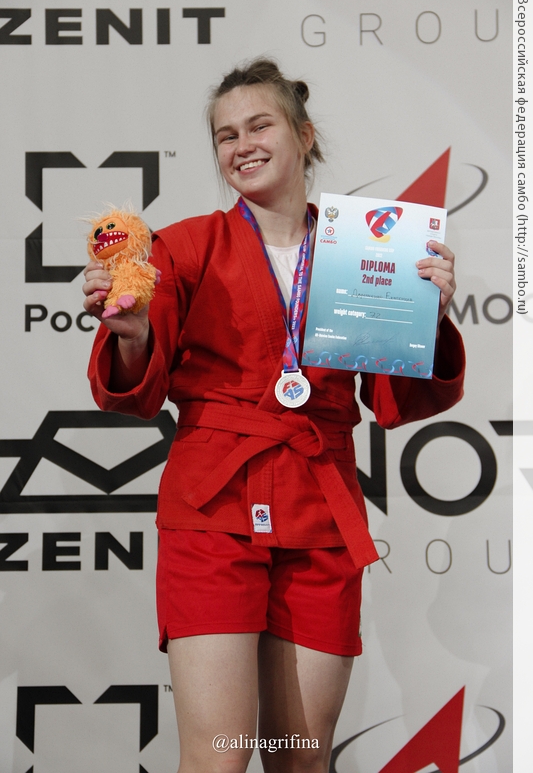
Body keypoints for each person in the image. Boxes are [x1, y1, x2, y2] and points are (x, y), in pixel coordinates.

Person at [83, 58, 465, 773]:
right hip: (213, 511)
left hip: (319, 515)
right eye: (225, 135)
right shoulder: (183, 247)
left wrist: (428, 318)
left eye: (259, 126)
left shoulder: (370, 250)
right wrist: (130, 336)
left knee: (299, 758)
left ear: (303, 135)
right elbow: (136, 382)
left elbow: (395, 400)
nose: (241, 145)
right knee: (216, 758)